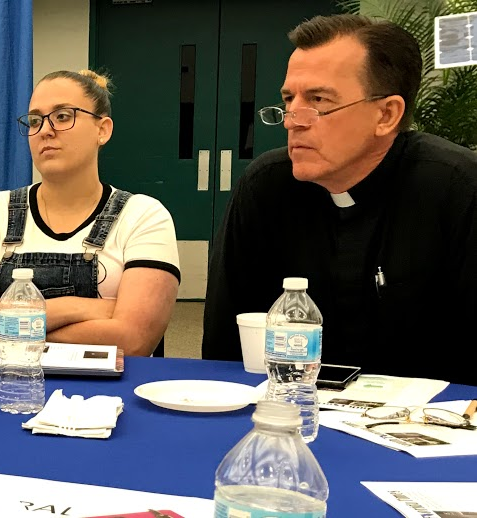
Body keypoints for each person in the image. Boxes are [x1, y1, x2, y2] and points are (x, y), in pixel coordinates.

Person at [202, 15, 477, 385]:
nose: (292, 120)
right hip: (289, 414)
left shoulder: (458, 188)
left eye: (318, 100)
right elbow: (224, 341)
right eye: (289, 99)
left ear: (386, 114)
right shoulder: (267, 186)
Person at [0, 70, 180, 356]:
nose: (45, 130)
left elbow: (133, 340)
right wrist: (77, 307)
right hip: (10, 386)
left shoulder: (144, 216)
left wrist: (0, 325)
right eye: (34, 120)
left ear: (102, 130)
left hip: (107, 395)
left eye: (63, 116)